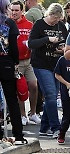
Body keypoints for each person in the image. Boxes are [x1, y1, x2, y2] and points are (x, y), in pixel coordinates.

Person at [28, 3, 68, 138]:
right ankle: (56, 127)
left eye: (59, 19)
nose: (56, 21)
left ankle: (44, 128)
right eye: (54, 18)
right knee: (50, 94)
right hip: (41, 64)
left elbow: (66, 43)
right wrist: (47, 39)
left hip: (56, 64)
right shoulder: (39, 24)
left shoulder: (61, 26)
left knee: (52, 96)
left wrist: (62, 48)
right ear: (49, 14)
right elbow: (31, 43)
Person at [0, 0, 27, 144]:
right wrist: (15, 62)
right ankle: (18, 135)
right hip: (6, 63)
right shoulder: (9, 23)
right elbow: (14, 48)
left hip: (5, 63)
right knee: (12, 100)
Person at [10, 0, 40, 126]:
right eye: (12, 10)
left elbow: (34, 40)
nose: (14, 12)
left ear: (22, 11)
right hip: (15, 63)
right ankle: (22, 115)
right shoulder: (8, 24)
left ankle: (32, 113)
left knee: (33, 85)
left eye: (17, 10)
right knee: (20, 89)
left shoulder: (29, 24)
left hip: (28, 61)